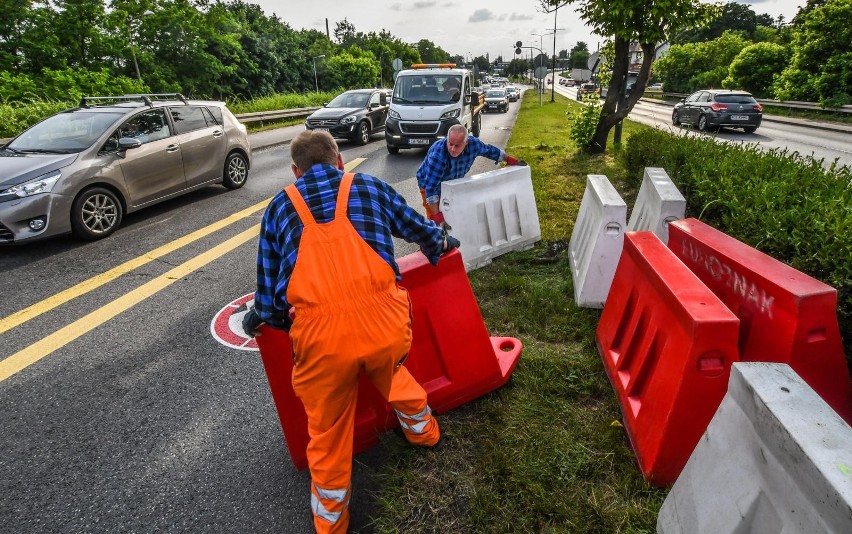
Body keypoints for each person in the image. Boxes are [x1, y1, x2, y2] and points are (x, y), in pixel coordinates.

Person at [242, 130, 459, 534]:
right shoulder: (369, 186)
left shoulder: (277, 209)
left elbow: (270, 297)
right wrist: (442, 244)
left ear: (295, 171)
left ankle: (331, 522)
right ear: (338, 160)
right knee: (391, 369)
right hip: (386, 327)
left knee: (326, 427)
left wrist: (265, 317)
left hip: (323, 343)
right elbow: (418, 228)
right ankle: (426, 435)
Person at [416, 123, 527, 226]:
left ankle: (451, 234)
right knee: (434, 217)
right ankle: (431, 238)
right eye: (450, 144)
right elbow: (431, 189)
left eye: (457, 145)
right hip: (428, 183)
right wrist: (436, 216)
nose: (452, 149)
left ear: (466, 142)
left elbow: (489, 151)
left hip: (452, 181)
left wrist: (508, 159)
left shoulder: (474, 144)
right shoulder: (438, 156)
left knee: (452, 209)